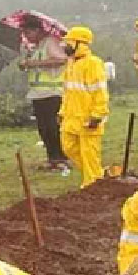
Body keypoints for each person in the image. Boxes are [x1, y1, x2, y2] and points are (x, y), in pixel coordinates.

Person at [58, 26, 109, 188]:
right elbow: (68, 92)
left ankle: (92, 184)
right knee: (68, 147)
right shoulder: (71, 63)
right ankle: (97, 175)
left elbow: (100, 92)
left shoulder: (93, 63)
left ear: (79, 44)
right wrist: (62, 112)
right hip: (71, 118)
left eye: (69, 43)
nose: (65, 46)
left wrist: (97, 115)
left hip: (88, 119)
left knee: (89, 154)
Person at [19, 14, 70, 172]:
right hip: (38, 93)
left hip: (52, 92)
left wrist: (35, 63)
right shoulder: (36, 47)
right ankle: (51, 157)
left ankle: (61, 157)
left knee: (53, 127)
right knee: (43, 128)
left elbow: (62, 60)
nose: (27, 36)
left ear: (37, 30)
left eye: (28, 33)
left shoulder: (50, 42)